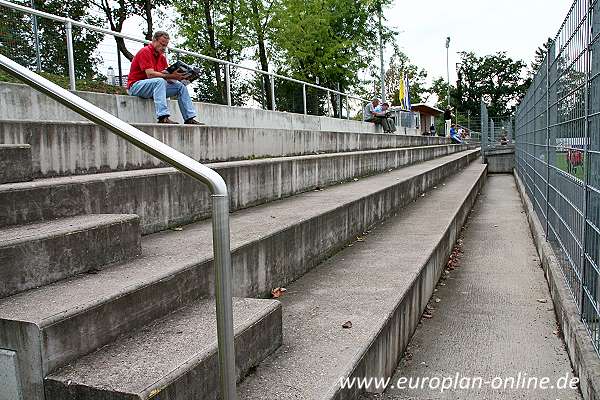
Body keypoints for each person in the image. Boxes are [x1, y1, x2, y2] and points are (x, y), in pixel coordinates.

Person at [127, 31, 202, 125]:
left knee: (180, 86)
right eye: (162, 44)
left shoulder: (162, 58)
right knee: (159, 81)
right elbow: (150, 74)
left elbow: (166, 76)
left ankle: (189, 118)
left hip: (153, 88)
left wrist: (180, 77)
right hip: (135, 86)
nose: (163, 48)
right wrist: (170, 76)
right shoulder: (145, 51)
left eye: (165, 45)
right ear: (154, 41)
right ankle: (163, 117)